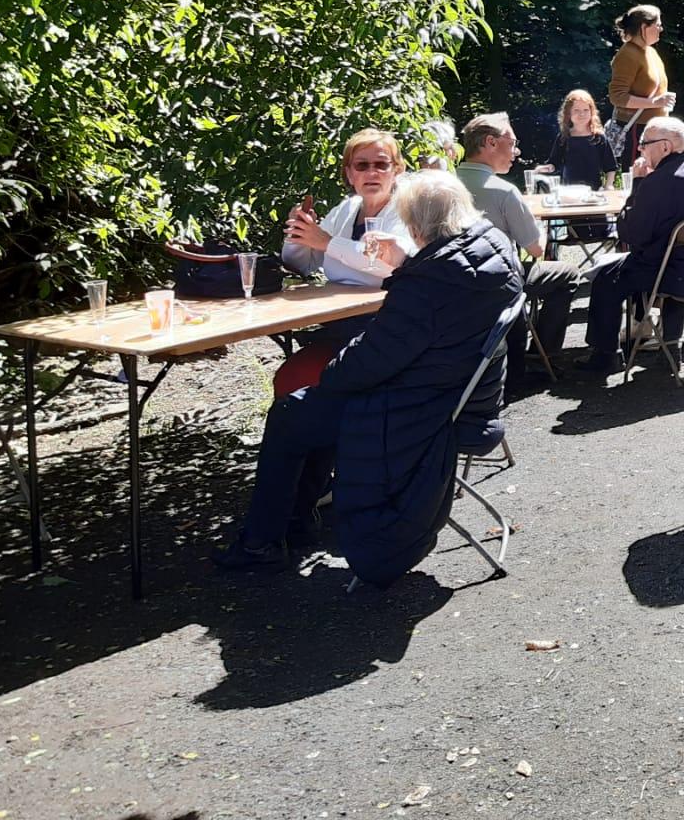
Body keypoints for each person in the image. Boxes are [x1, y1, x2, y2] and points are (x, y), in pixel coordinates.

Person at [212, 171, 520, 578]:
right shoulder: (487, 250)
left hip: (417, 409)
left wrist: (334, 371)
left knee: (294, 412)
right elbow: (431, 316)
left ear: (414, 225)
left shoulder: (429, 284)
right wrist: (406, 264)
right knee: (316, 403)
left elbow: (369, 361)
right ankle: (297, 521)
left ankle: (261, 542)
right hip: (457, 393)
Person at [572, 116, 684, 379]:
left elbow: (630, 233)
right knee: (666, 258)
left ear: (665, 147)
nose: (640, 149)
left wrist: (639, 183)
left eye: (645, 143)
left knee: (606, 278)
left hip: (672, 274)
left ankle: (605, 356)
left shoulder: (661, 182)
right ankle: (670, 351)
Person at [455, 113, 583, 375]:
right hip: (499, 280)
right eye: (512, 143)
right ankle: (542, 356)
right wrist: (542, 227)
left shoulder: (445, 184)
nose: (517, 150)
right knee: (569, 273)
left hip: (453, 279)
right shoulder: (503, 191)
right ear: (491, 142)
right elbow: (535, 249)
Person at [282, 128, 415, 286]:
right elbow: (301, 266)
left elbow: (386, 265)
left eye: (381, 165)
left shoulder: (408, 211)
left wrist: (328, 243)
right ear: (350, 175)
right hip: (337, 307)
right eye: (361, 166)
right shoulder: (345, 209)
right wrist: (299, 234)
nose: (371, 173)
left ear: (397, 171)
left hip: (386, 307)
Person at [608, 4, 676, 165]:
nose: (661, 29)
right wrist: (655, 103)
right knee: (637, 179)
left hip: (655, 129)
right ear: (644, 27)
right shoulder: (627, 54)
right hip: (636, 131)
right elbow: (617, 97)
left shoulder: (650, 52)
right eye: (658, 25)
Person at [540, 88, 618, 189]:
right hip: (570, 191)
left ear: (592, 112)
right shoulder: (564, 137)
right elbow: (554, 163)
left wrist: (609, 185)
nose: (582, 114)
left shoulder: (599, 138)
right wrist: (545, 168)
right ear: (568, 113)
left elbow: (610, 167)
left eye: (586, 110)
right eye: (576, 110)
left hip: (594, 191)